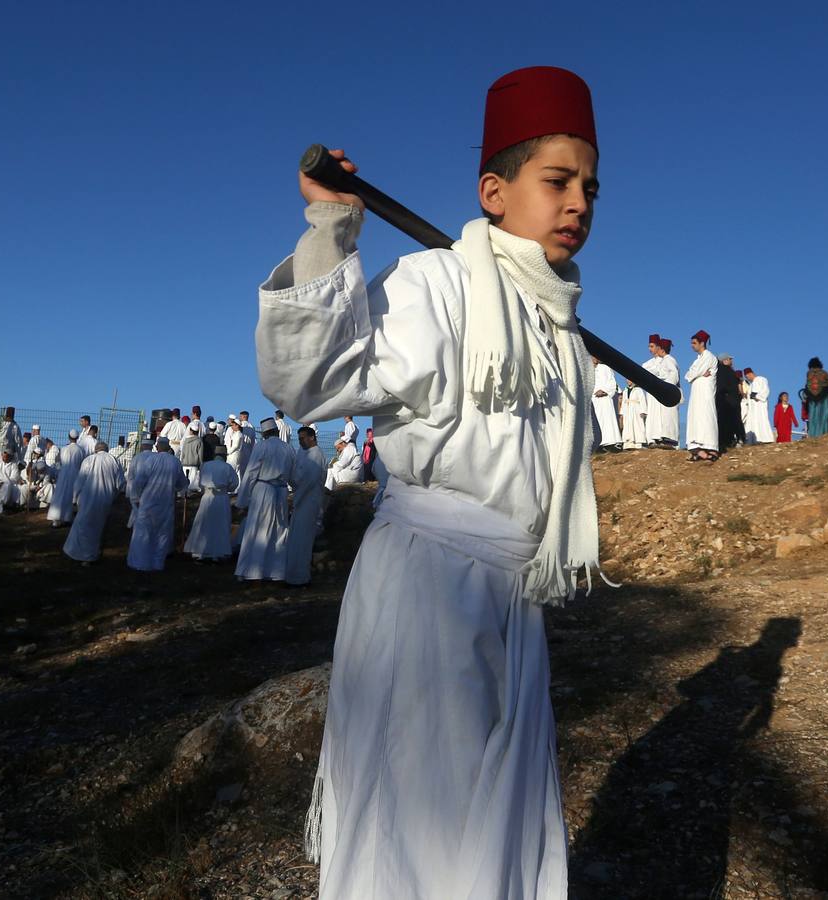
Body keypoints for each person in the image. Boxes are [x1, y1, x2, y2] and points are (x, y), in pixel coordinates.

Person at [258, 67, 604, 896]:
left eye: (591, 187)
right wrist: (331, 228)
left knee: (496, 826)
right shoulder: (439, 284)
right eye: (556, 181)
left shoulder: (562, 326)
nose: (579, 204)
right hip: (429, 592)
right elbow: (314, 382)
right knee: (419, 827)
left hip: (513, 597)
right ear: (494, 189)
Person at [233, 417, 295, 581]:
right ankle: (276, 572)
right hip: (281, 491)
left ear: (265, 434)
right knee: (279, 531)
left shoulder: (262, 446)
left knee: (257, 530)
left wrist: (242, 501)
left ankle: (252, 571)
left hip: (264, 490)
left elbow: (251, 472)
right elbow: (293, 474)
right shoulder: (288, 448)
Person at [126, 437, 186, 571]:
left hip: (148, 502)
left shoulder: (150, 460)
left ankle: (140, 563)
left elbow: (139, 481)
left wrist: (135, 497)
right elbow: (182, 483)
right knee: (162, 534)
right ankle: (158, 563)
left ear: (157, 447)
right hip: (166, 503)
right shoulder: (175, 462)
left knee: (143, 533)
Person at [64, 441, 126, 563]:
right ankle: (94, 553)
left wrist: (74, 498)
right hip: (105, 499)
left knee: (84, 526)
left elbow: (80, 481)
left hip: (88, 498)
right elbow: (121, 484)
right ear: (106, 449)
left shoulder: (89, 460)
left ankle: (82, 555)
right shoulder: (114, 460)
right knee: (99, 527)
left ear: (96, 450)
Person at [283, 426, 327, 585]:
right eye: (299, 438)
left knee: (303, 540)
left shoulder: (316, 455)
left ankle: (300, 577)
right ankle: (292, 574)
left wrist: (297, 498)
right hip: (301, 499)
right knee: (296, 538)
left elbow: (310, 480)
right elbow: (297, 476)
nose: (300, 441)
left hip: (309, 501)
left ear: (312, 438)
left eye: (302, 438)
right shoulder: (304, 453)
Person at [184, 441, 239, 562]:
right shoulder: (227, 467)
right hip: (222, 498)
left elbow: (200, 483)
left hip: (207, 497)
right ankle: (218, 553)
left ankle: (199, 552)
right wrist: (225, 489)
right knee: (220, 525)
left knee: (204, 523)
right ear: (224, 456)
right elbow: (234, 484)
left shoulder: (206, 465)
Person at [685, 330, 719, 460]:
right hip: (696, 393)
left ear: (702, 343)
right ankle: (699, 451)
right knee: (696, 417)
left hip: (705, 393)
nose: (692, 345)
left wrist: (696, 374)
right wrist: (697, 374)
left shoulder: (708, 356)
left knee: (707, 416)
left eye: (694, 343)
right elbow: (688, 375)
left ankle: (712, 448)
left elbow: (693, 373)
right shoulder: (698, 359)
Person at [47, 428, 87, 527]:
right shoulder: (81, 450)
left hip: (64, 473)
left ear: (68, 437)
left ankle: (56, 520)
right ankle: (67, 518)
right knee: (70, 495)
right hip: (76, 474)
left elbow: (60, 462)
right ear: (77, 438)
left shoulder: (63, 449)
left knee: (60, 494)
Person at [590, 355, 621, 451]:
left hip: (605, 398)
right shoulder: (587, 370)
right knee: (597, 421)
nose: (595, 358)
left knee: (608, 420)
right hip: (594, 399)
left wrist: (604, 391)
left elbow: (612, 383)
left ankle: (611, 443)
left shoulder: (606, 368)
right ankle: (599, 444)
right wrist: (595, 392)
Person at [714, 354, 745, 452]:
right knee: (732, 420)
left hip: (728, 399)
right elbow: (722, 385)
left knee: (728, 421)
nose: (731, 360)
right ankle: (736, 439)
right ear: (724, 360)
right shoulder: (724, 370)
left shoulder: (727, 370)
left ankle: (730, 440)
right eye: (729, 359)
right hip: (728, 400)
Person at [803, 356, 828, 438]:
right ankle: (823, 433)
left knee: (813, 416)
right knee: (823, 416)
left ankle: (813, 434)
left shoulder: (808, 373)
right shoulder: (823, 372)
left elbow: (808, 385)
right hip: (823, 396)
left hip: (811, 397)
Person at [741, 367, 775, 444]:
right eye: (746, 377)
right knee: (752, 422)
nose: (748, 378)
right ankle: (754, 440)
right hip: (753, 408)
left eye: (747, 376)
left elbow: (765, 390)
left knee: (761, 420)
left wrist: (757, 396)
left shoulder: (761, 379)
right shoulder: (751, 385)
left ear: (751, 373)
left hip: (760, 405)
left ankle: (765, 439)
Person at [179, 420, 205, 493]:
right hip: (194, 465)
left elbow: (183, 453)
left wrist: (181, 461)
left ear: (190, 431)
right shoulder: (199, 441)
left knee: (183, 484)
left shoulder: (185, 441)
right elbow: (200, 454)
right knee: (192, 486)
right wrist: (201, 465)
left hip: (184, 464)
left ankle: (183, 497)